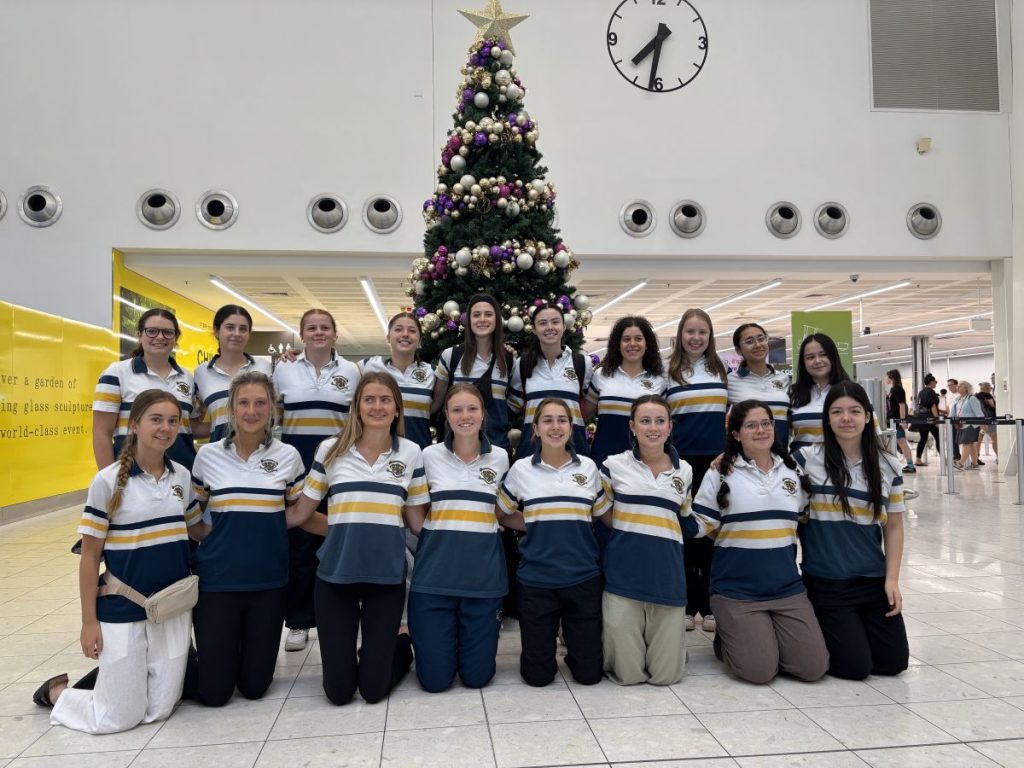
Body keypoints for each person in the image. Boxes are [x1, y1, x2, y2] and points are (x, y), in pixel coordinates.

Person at [36, 390, 200, 732]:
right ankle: (59, 694)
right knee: (118, 718)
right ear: (135, 425)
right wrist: (88, 623)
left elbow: (197, 529)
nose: (165, 428)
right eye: (156, 419)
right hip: (122, 607)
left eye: (173, 421)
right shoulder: (108, 482)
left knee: (159, 709)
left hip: (171, 608)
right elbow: (90, 556)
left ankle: (116, 690)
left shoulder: (182, 478)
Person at [290, 372, 427, 704]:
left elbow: (417, 522)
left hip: (386, 577)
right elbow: (301, 515)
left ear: (397, 409)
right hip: (336, 577)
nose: (377, 406)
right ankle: (354, 663)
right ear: (357, 406)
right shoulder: (330, 449)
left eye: (385, 400)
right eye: (369, 399)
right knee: (339, 692)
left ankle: (399, 648)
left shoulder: (410, 453)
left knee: (373, 691)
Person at [185, 372, 307, 705]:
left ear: (271, 410)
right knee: (215, 693)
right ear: (231, 409)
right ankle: (166, 668)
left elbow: (297, 513)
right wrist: (217, 538)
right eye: (243, 403)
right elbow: (194, 516)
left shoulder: (288, 457)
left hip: (269, 583)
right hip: (218, 582)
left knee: (255, 688)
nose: (251, 411)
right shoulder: (208, 457)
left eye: (260, 403)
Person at [692, 400, 829, 684]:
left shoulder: (793, 472)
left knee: (812, 668)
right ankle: (730, 639)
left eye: (766, 423)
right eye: (751, 425)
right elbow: (705, 525)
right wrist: (736, 536)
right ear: (735, 434)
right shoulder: (719, 473)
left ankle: (761, 636)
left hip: (786, 587)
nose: (761, 430)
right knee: (759, 671)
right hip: (737, 589)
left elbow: (800, 518)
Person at [794, 381, 909, 681]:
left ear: (868, 416)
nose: (846, 418)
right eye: (837, 412)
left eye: (855, 411)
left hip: (871, 580)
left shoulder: (889, 465)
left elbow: (894, 527)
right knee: (855, 668)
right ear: (827, 419)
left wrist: (892, 579)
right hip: (827, 580)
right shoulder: (807, 460)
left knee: (893, 662)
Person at [405, 384, 510, 692]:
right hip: (434, 580)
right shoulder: (428, 456)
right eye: (457, 410)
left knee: (477, 678)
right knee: (435, 682)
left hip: (483, 582)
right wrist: (443, 540)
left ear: (483, 414)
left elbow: (501, 509)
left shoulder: (501, 458)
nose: (465, 416)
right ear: (447, 416)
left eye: (472, 409)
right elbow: (415, 517)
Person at [497, 398, 604, 687]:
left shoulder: (590, 468)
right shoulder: (521, 470)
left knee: (589, 676)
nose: (555, 426)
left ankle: (572, 648)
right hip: (536, 580)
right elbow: (502, 513)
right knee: (538, 677)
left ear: (571, 427)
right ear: (536, 428)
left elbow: (600, 515)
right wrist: (535, 520)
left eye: (562, 420)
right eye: (548, 420)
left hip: (582, 577)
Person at [273, 308, 361, 651]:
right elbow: (275, 417)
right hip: (298, 466)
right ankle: (298, 621)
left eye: (325, 327)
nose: (319, 332)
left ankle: (344, 613)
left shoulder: (352, 372)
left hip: (338, 467)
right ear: (302, 334)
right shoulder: (284, 369)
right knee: (301, 543)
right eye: (312, 328)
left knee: (340, 538)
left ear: (335, 334)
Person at [597, 395, 697, 685]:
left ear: (669, 427)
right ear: (632, 426)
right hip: (623, 574)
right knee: (627, 675)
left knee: (666, 676)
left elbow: (685, 516)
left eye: (659, 421)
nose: (652, 428)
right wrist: (630, 528)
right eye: (645, 421)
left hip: (667, 576)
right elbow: (601, 510)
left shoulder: (685, 471)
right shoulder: (612, 466)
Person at [666, 309, 729, 634]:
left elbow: (732, 418)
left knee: (714, 532)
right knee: (688, 532)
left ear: (710, 336)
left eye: (702, 332)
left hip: (717, 463)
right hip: (682, 463)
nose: (696, 338)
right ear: (680, 335)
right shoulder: (669, 372)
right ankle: (690, 605)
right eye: (690, 331)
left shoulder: (721, 370)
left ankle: (710, 603)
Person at [93, 308, 201, 471]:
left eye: (167, 332)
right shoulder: (116, 373)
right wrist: (109, 480)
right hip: (131, 474)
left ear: (176, 337)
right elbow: (102, 433)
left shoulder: (187, 378)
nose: (160, 337)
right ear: (140, 335)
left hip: (181, 475)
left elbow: (191, 428)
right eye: (152, 331)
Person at [432, 293, 515, 451]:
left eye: (489, 314)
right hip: (456, 448)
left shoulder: (509, 360)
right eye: (476, 315)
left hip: (495, 446)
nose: (482, 319)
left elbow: (514, 403)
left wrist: (496, 417)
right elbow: (438, 401)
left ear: (496, 319)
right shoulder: (451, 356)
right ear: (468, 321)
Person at [508, 303, 593, 455]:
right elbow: (513, 406)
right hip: (532, 450)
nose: (549, 327)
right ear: (534, 329)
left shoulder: (582, 363)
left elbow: (587, 407)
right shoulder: (523, 364)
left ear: (564, 326)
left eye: (555, 322)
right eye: (542, 323)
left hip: (575, 449)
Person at [585, 315, 667, 466]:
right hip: (603, 459)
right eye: (626, 339)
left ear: (647, 343)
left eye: (638, 339)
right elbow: (584, 414)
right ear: (618, 344)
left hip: (643, 463)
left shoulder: (659, 381)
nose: (632, 344)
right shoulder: (601, 375)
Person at [192, 305, 272, 442]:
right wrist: (220, 424)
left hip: (262, 453)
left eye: (243, 329)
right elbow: (194, 426)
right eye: (230, 327)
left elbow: (276, 412)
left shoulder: (264, 367)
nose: (237, 334)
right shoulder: (202, 373)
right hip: (220, 457)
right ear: (216, 331)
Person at [360, 311, 435, 449]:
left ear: (420, 341)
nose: (405, 334)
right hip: (376, 454)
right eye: (398, 329)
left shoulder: (432, 372)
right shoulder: (367, 366)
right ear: (388, 338)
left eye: (412, 331)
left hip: (419, 452)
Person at [727, 322, 792, 448]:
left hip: (781, 453)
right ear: (738, 350)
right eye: (749, 341)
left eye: (761, 339)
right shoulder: (731, 381)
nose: (757, 345)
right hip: (746, 455)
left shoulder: (782, 378)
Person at [788, 333, 851, 452]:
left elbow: (871, 434)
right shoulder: (792, 393)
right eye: (810, 357)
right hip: (801, 467)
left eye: (823, 355)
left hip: (842, 466)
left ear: (833, 357)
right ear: (803, 362)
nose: (817, 361)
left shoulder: (853, 391)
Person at [884, 369, 915, 473]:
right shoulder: (892, 390)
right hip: (891, 420)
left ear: (891, 377)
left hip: (896, 421)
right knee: (895, 443)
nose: (885, 378)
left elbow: (902, 405)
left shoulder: (898, 390)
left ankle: (910, 465)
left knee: (902, 442)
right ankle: (893, 464)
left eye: (887, 376)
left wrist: (902, 420)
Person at [951, 380, 984, 470]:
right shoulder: (957, 399)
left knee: (966, 443)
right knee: (971, 445)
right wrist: (953, 421)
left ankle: (961, 463)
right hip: (961, 425)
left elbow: (979, 413)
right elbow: (954, 411)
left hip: (971, 425)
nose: (958, 387)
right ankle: (974, 464)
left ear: (966, 388)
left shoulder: (972, 398)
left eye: (960, 386)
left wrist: (983, 425)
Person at [913, 374, 941, 466]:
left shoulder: (921, 392)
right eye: (935, 381)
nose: (936, 383)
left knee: (923, 439)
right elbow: (932, 406)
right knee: (938, 438)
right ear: (931, 382)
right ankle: (945, 459)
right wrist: (936, 419)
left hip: (921, 418)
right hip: (930, 418)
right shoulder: (931, 392)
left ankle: (918, 459)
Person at [976, 382, 998, 458]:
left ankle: (976, 459)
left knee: (978, 441)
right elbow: (993, 406)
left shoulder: (976, 396)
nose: (991, 389)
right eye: (990, 387)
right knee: (995, 440)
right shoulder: (988, 395)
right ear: (987, 388)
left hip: (980, 422)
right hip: (989, 421)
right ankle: (999, 457)